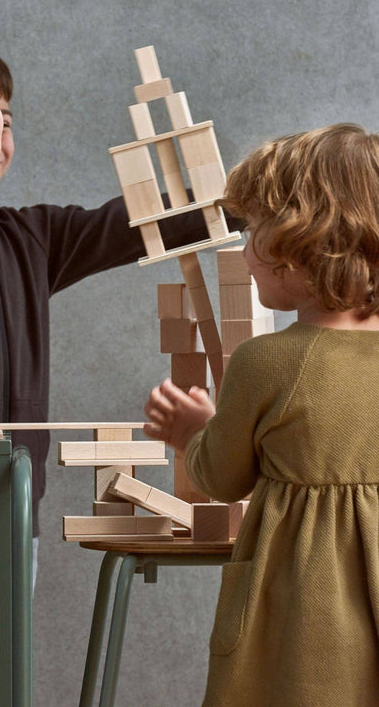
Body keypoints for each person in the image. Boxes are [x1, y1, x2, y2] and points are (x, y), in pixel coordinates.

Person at [0, 30, 228, 576]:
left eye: (2, 124)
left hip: (12, 512)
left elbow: (134, 224)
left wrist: (250, 198)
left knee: (8, 663)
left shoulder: (28, 237)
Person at [144, 123, 379, 705]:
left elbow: (222, 478)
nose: (245, 252)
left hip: (305, 614)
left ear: (309, 242)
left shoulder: (268, 361)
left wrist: (191, 431)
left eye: (255, 230)